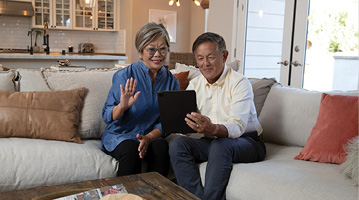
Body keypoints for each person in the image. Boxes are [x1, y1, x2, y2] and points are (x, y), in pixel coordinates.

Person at [169, 32, 266, 200]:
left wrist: (212, 128)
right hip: (213, 142)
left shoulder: (240, 83)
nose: (205, 64)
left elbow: (237, 127)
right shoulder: (195, 84)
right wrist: (180, 121)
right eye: (200, 59)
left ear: (224, 55)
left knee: (221, 145)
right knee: (178, 144)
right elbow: (187, 123)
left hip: (248, 142)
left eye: (210, 57)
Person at [102, 22, 180, 177]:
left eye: (162, 48)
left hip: (151, 136)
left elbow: (168, 121)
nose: (157, 54)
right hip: (121, 135)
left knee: (161, 147)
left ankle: (157, 194)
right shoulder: (124, 76)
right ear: (141, 50)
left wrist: (149, 137)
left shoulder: (172, 81)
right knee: (131, 150)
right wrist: (122, 107)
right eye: (151, 49)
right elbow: (106, 115)